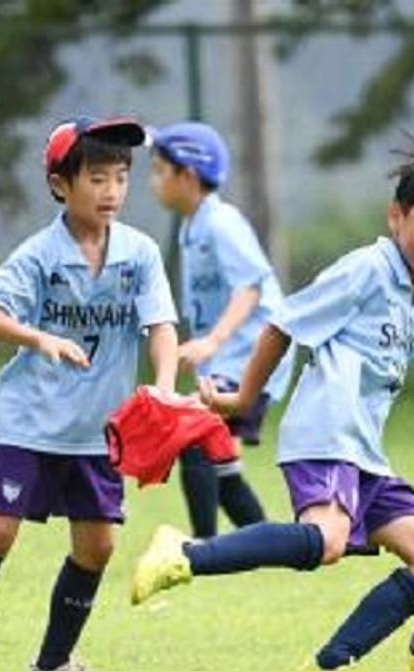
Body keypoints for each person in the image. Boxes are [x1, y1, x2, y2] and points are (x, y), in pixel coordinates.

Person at [130, 136, 414, 671]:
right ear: (397, 217)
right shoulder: (368, 269)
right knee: (328, 539)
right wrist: (244, 398)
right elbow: (283, 323)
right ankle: (185, 553)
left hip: (364, 451)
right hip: (324, 434)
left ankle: (330, 665)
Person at [0, 116, 179, 671]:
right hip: (30, 422)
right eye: (96, 178)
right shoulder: (39, 255)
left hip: (98, 430)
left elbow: (160, 324)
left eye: (120, 178)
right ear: (61, 184)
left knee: (98, 546)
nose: (111, 190)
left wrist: (162, 384)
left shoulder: (140, 253)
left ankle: (53, 664)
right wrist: (40, 338)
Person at [148, 121, 294, 539]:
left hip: (253, 354)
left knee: (191, 431)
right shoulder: (193, 225)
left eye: (159, 170)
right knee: (221, 465)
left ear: (188, 176)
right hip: (229, 357)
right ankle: (273, 545)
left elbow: (250, 287)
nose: (152, 181)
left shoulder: (221, 222)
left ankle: (202, 550)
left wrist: (213, 340)